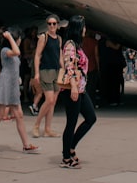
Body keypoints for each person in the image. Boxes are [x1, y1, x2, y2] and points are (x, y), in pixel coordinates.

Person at [0, 27, 41, 155]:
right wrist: (9, 37)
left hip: (12, 86)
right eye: (19, 38)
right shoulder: (5, 50)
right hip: (5, 85)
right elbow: (17, 52)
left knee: (19, 115)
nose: (20, 40)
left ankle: (26, 145)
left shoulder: (10, 51)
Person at [58, 15, 97, 169]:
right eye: (83, 26)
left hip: (81, 89)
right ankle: (66, 157)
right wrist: (73, 86)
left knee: (91, 118)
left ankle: (71, 146)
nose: (85, 29)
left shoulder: (78, 45)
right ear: (78, 28)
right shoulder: (70, 45)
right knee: (71, 122)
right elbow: (69, 66)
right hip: (72, 89)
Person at [31, 15, 62, 139]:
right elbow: (37, 55)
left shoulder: (59, 38)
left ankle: (48, 128)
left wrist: (63, 69)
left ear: (58, 25)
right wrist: (37, 73)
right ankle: (37, 125)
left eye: (54, 23)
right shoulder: (44, 37)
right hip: (45, 70)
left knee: (53, 102)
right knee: (49, 100)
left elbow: (60, 54)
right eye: (50, 23)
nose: (52, 26)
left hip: (56, 70)